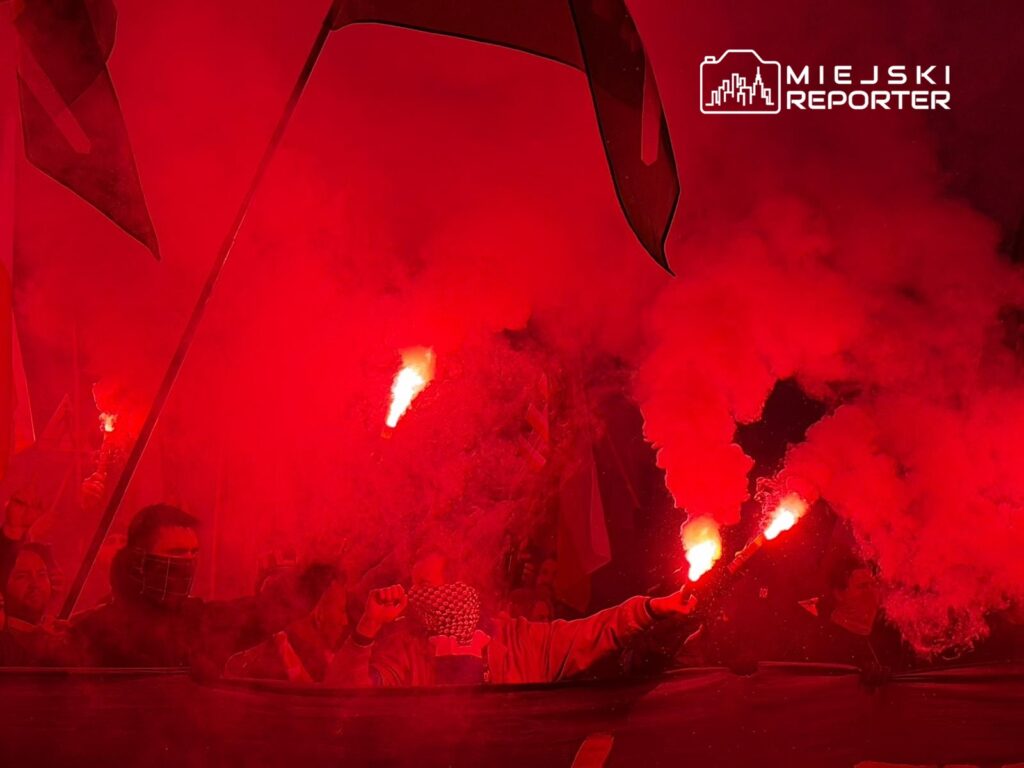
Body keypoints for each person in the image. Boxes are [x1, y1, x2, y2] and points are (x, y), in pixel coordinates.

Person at [70, 503, 335, 673]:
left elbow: (263, 613)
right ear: (140, 560)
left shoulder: (200, 621)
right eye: (176, 553)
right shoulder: (95, 630)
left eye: (193, 554)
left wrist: (318, 571)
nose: (186, 563)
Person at [323, 570, 699, 687]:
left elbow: (595, 631)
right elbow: (347, 701)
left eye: (445, 578)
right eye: (426, 583)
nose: (439, 591)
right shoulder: (407, 652)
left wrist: (651, 609)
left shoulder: (523, 643)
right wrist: (368, 627)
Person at [0, 542, 85, 666]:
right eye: (22, 576)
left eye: (42, 575)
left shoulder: (61, 631)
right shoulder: (4, 642)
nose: (35, 584)